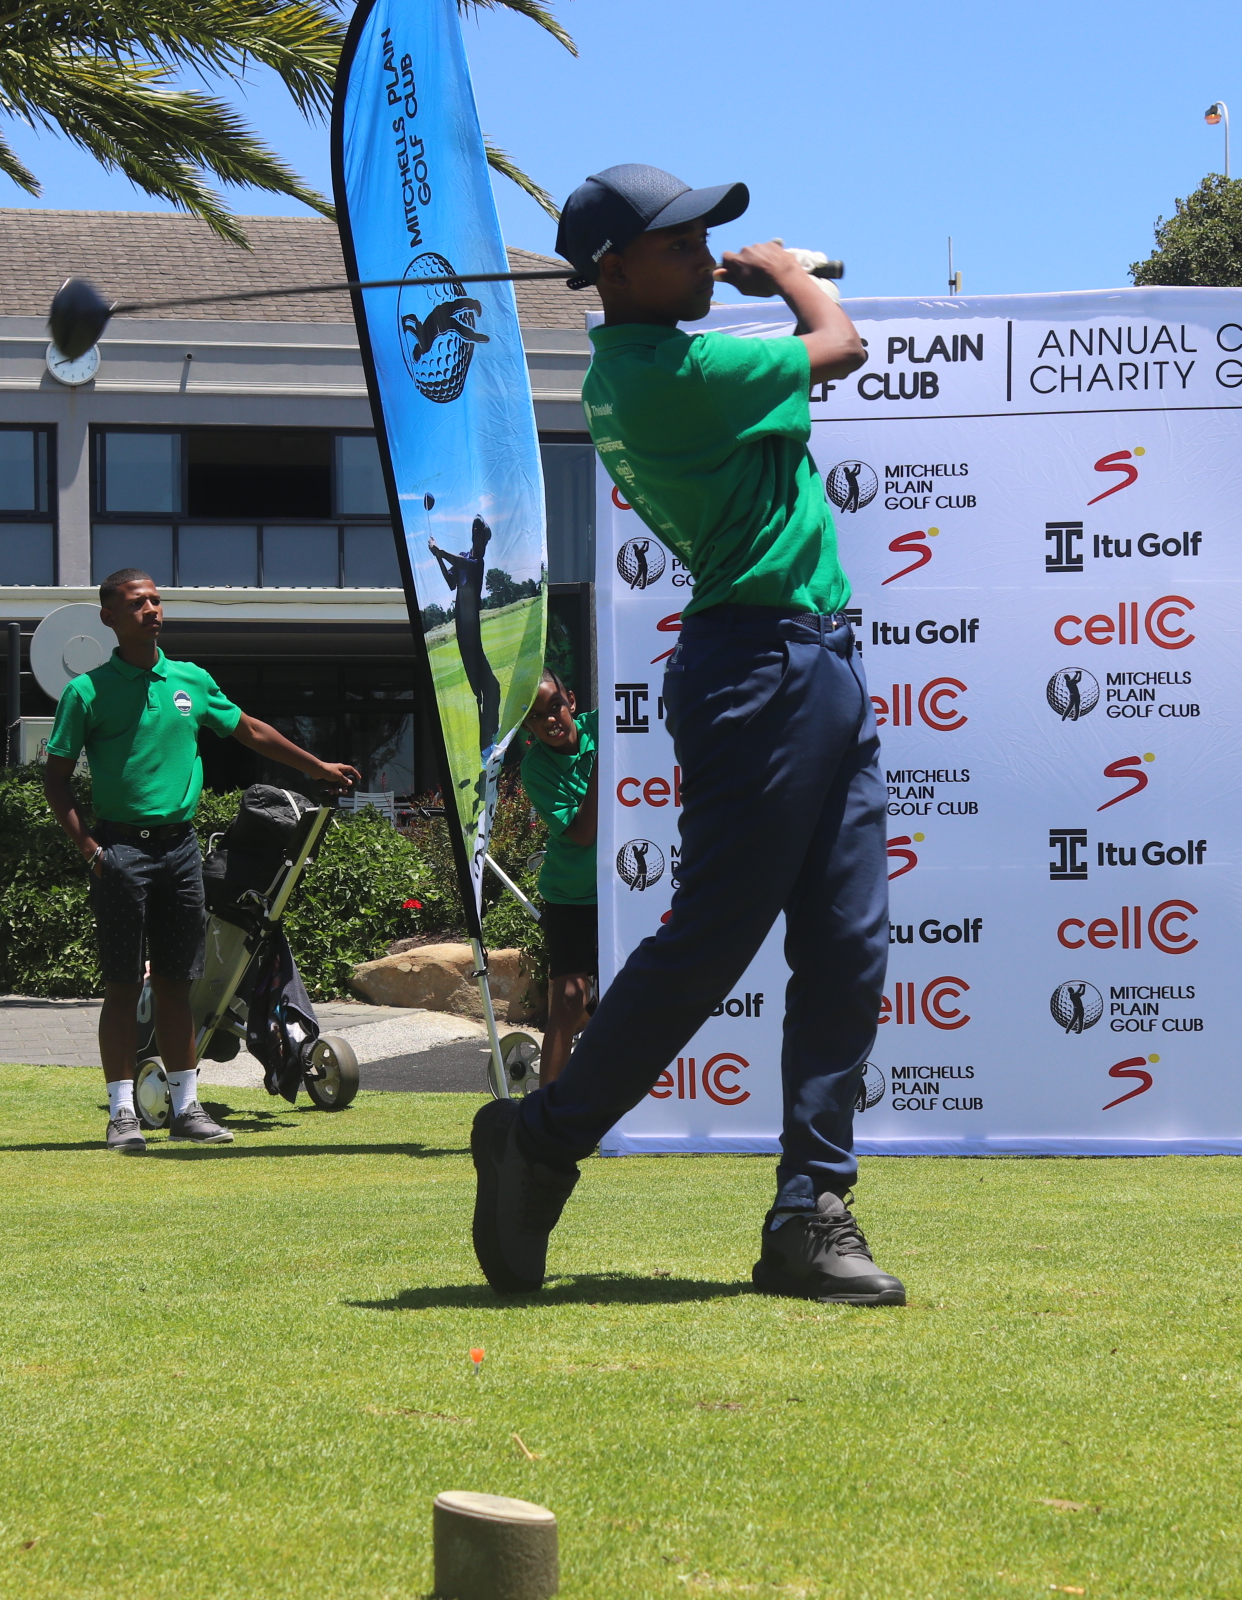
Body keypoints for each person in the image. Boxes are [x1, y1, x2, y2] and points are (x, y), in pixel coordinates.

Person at [467, 163, 900, 1305]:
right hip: (760, 666)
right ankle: (542, 1139)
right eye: (683, 246)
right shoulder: (665, 373)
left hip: (813, 658)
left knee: (849, 944)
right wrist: (788, 275)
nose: (708, 258)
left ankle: (809, 1212)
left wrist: (747, 281)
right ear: (611, 272)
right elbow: (839, 345)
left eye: (713, 242)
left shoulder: (673, 360)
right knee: (710, 942)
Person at [43, 569, 358, 1154]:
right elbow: (55, 780)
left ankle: (187, 1109)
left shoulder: (190, 679)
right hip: (121, 851)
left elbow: (251, 731)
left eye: (156, 600)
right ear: (109, 617)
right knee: (121, 986)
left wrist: (317, 768)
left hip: (181, 851)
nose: (152, 610)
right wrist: (92, 850)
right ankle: (121, 1115)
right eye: (137, 604)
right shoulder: (86, 692)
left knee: (176, 983)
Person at [515, 668, 598, 1085]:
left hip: (633, 889)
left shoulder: (610, 725)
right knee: (568, 998)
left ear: (571, 702)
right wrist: (608, 761)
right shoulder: (536, 769)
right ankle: (545, 1111)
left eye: (554, 706)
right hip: (573, 896)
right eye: (535, 716)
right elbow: (583, 834)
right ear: (527, 727)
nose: (549, 719)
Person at [429, 516, 503, 754]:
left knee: (489, 689)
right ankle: (487, 743)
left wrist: (439, 552)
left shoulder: (476, 563)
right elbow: (451, 583)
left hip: (471, 634)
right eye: (479, 535)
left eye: (484, 538)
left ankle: (488, 740)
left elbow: (459, 563)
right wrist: (438, 557)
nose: (482, 542)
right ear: (474, 535)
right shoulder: (465, 558)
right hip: (466, 634)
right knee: (487, 690)